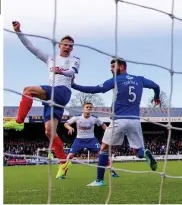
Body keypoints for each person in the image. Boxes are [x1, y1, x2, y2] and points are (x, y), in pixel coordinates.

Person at [4, 21, 80, 179]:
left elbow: (72, 71)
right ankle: (63, 163)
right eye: (65, 45)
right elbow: (31, 48)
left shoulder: (74, 60)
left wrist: (62, 71)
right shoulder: (50, 58)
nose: (68, 47)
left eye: (70, 46)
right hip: (51, 99)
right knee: (49, 132)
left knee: (28, 90)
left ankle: (19, 121)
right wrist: (19, 32)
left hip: (61, 92)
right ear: (59, 45)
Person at [71, 58, 161, 186]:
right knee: (138, 151)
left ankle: (99, 180)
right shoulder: (139, 79)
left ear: (122, 67)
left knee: (103, 149)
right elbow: (155, 86)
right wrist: (156, 96)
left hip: (119, 120)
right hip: (135, 121)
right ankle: (145, 153)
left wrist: (74, 85)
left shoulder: (116, 80)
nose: (111, 69)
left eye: (113, 66)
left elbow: (95, 89)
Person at [61, 102, 119, 179]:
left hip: (91, 140)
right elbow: (66, 123)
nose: (89, 109)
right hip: (79, 140)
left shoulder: (94, 118)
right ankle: (63, 173)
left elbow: (103, 125)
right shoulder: (77, 117)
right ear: (83, 109)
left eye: (90, 107)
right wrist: (69, 128)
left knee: (102, 153)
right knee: (70, 155)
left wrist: (108, 132)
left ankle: (112, 172)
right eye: (87, 107)